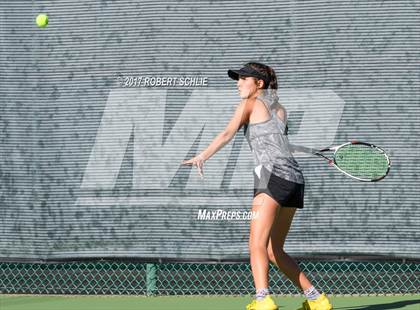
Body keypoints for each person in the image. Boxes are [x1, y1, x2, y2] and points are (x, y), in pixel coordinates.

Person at [181, 62, 333, 310]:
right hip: (294, 179)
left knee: (256, 244)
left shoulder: (249, 104)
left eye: (243, 79)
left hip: (269, 176)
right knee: (274, 250)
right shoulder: (280, 109)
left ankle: (263, 300)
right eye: (237, 79)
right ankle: (317, 299)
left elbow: (227, 134)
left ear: (258, 83)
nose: (238, 83)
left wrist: (202, 156)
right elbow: (281, 145)